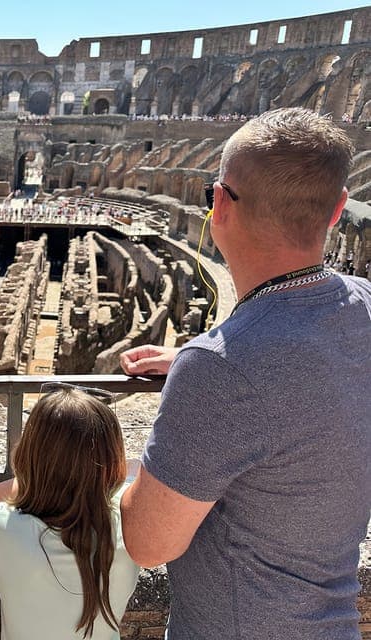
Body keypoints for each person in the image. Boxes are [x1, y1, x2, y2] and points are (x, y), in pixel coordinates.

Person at [119, 108, 371, 639]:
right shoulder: (364, 308)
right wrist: (204, 358)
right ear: (336, 211)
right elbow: (306, 375)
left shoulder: (222, 371)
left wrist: (209, 369)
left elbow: (148, 543)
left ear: (218, 205)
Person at [0, 385, 140, 640]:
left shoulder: (3, 528)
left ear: (28, 456)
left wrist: (38, 477)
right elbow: (132, 470)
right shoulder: (132, 521)